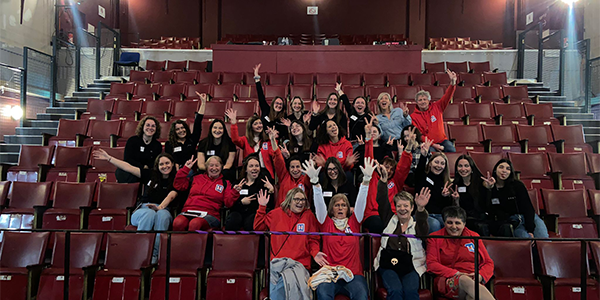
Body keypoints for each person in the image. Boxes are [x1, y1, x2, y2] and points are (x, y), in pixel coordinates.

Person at [307, 157, 376, 300]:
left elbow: (361, 202)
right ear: (331, 209)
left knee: (362, 295)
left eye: (343, 205)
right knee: (323, 294)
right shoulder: (325, 223)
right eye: (336, 205)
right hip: (330, 274)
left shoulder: (355, 222)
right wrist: (315, 183)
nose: (340, 207)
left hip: (354, 274)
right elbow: (319, 204)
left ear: (348, 209)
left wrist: (366, 181)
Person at [92, 149, 177, 258]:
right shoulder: (150, 174)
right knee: (149, 214)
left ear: (173, 164)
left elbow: (172, 195)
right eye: (161, 164)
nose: (164, 166)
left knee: (162, 215)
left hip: (163, 208)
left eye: (167, 163)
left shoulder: (176, 179)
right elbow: (128, 167)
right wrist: (109, 158)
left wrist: (159, 207)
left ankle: (156, 255)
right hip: (144, 208)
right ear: (157, 166)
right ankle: (140, 252)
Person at [254, 187, 326, 300]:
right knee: (280, 282)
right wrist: (262, 207)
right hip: (278, 263)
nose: (300, 202)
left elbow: (313, 239)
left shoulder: (308, 216)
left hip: (300, 264)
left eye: (303, 200)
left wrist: (315, 252)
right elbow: (258, 228)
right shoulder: (275, 214)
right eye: (296, 199)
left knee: (287, 283)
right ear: (289, 200)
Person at [373, 164, 430, 300]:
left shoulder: (417, 225)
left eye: (406, 206)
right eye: (399, 206)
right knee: (395, 290)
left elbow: (423, 227)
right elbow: (382, 201)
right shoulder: (389, 219)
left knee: (410, 292)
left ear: (411, 208)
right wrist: (383, 181)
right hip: (388, 265)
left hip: (411, 266)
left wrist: (421, 209)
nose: (402, 209)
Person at [427, 206, 496, 300]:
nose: (454, 227)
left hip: (474, 281)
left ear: (464, 224)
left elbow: (488, 262)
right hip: (448, 280)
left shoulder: (474, 236)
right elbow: (432, 264)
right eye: (449, 223)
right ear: (444, 223)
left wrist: (480, 276)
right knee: (463, 279)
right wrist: (457, 273)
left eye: (457, 223)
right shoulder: (435, 237)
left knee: (471, 297)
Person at [362, 122, 415, 234]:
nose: (389, 170)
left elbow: (403, 167)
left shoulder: (396, 180)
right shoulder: (371, 176)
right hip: (373, 215)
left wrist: (408, 148)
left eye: (391, 169)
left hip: (393, 216)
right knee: (381, 225)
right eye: (386, 167)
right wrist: (368, 138)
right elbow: (368, 158)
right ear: (380, 166)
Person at [172, 156, 243, 231]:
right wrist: (185, 169)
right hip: (189, 211)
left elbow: (228, 203)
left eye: (217, 165)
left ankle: (191, 243)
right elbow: (179, 185)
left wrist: (235, 192)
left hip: (210, 214)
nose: (214, 168)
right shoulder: (196, 178)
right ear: (206, 167)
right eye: (211, 165)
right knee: (178, 223)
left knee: (195, 224)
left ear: (221, 167)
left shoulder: (225, 183)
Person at [483, 159, 549, 238]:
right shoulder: (491, 188)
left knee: (543, 238)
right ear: (495, 170)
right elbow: (488, 208)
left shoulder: (517, 185)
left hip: (529, 217)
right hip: (513, 221)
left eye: (508, 169)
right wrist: (488, 189)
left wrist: (530, 229)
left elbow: (528, 208)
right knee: (525, 240)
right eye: (501, 167)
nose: (504, 171)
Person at [410, 70, 457, 153]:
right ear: (416, 102)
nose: (423, 102)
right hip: (428, 144)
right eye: (420, 100)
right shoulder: (413, 116)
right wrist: (433, 144)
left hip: (443, 141)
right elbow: (419, 135)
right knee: (429, 154)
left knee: (451, 150)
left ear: (429, 100)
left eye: (425, 99)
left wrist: (453, 83)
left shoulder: (437, 106)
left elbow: (447, 96)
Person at [225, 155, 275, 230]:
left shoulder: (264, 184)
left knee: (251, 221)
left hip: (254, 214)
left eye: (257, 166)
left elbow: (270, 206)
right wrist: (241, 202)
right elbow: (229, 205)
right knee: (233, 219)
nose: (254, 168)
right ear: (246, 169)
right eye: (251, 166)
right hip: (238, 212)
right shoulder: (238, 184)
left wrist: (271, 191)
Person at [414, 138, 454, 233]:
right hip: (423, 213)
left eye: (442, 164)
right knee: (435, 224)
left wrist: (445, 196)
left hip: (440, 215)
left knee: (450, 224)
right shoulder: (422, 176)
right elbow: (419, 170)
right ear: (430, 163)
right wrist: (423, 155)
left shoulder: (446, 182)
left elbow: (447, 207)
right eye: (436, 162)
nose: (439, 166)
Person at [226, 109, 276, 178]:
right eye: (255, 124)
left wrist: (273, 139)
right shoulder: (245, 140)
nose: (259, 125)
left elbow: (274, 154)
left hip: (265, 174)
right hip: (250, 175)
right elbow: (235, 139)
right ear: (251, 127)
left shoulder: (267, 141)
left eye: (260, 123)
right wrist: (234, 123)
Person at [269, 127, 312, 207]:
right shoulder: (284, 176)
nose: (295, 169)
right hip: (283, 213)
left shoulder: (305, 179)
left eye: (297, 166)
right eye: (292, 167)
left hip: (300, 214)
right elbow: (278, 158)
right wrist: (272, 140)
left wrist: (311, 166)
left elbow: (312, 178)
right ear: (288, 169)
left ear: (302, 168)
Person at [164, 92, 206, 168]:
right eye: (177, 129)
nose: (181, 130)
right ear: (174, 132)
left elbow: (197, 122)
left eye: (182, 128)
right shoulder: (169, 144)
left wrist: (203, 103)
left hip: (190, 169)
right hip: (176, 171)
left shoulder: (192, 139)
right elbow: (169, 160)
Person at [451, 155, 490, 235]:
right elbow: (456, 209)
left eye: (466, 166)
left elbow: (487, 205)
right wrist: (456, 200)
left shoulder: (482, 183)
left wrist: (489, 189)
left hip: (480, 219)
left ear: (472, 168)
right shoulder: (454, 185)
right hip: (463, 219)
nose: (463, 169)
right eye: (460, 166)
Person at [117, 116, 163, 183]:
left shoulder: (157, 145)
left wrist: (145, 168)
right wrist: (142, 166)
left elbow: (155, 163)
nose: (150, 128)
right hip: (131, 170)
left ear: (156, 129)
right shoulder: (132, 141)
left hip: (146, 173)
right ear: (142, 127)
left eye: (153, 126)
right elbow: (127, 159)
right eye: (147, 125)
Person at [254, 64, 288, 141]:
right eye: (277, 103)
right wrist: (257, 78)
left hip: (277, 142)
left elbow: (284, 134)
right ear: (273, 104)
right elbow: (260, 95)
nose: (279, 105)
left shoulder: (284, 117)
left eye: (281, 104)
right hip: (263, 139)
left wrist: (276, 133)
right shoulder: (266, 109)